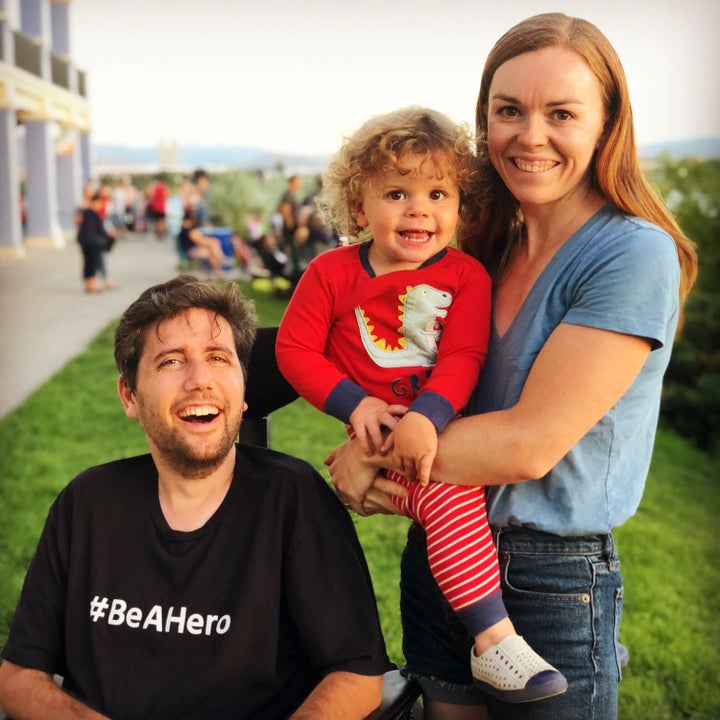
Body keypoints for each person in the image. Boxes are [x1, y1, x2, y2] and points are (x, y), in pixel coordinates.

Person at [326, 13, 697, 720]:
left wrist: (370, 459)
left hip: (549, 580)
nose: (530, 135)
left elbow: (529, 446)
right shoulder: (480, 251)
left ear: (607, 123)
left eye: (561, 113)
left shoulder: (630, 253)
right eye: (508, 111)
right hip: (441, 548)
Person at [276, 106, 566, 704]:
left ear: (459, 206)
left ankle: (545, 640)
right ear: (360, 208)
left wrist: (427, 420)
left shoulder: (466, 277)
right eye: (396, 193)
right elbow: (294, 349)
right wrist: (354, 404)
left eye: (438, 192)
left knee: (469, 506)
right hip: (381, 439)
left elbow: (463, 357)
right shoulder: (330, 274)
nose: (419, 209)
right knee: (449, 498)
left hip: (440, 429)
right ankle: (493, 641)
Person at [0, 275, 390, 719]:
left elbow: (357, 675)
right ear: (129, 395)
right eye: (170, 362)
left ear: (243, 390)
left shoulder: (293, 502)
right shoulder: (88, 504)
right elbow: (19, 676)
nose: (199, 381)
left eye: (219, 358)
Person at [76, 191, 116, 293]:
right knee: (92, 264)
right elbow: (94, 230)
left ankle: (90, 285)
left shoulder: (88, 212)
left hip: (87, 242)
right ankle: (92, 286)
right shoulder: (91, 213)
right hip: (92, 243)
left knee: (89, 263)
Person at [177, 208, 226, 277]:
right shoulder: (189, 232)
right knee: (213, 249)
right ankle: (221, 261)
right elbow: (202, 241)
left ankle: (219, 270)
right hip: (190, 252)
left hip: (191, 250)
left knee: (212, 249)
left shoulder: (184, 230)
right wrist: (213, 242)